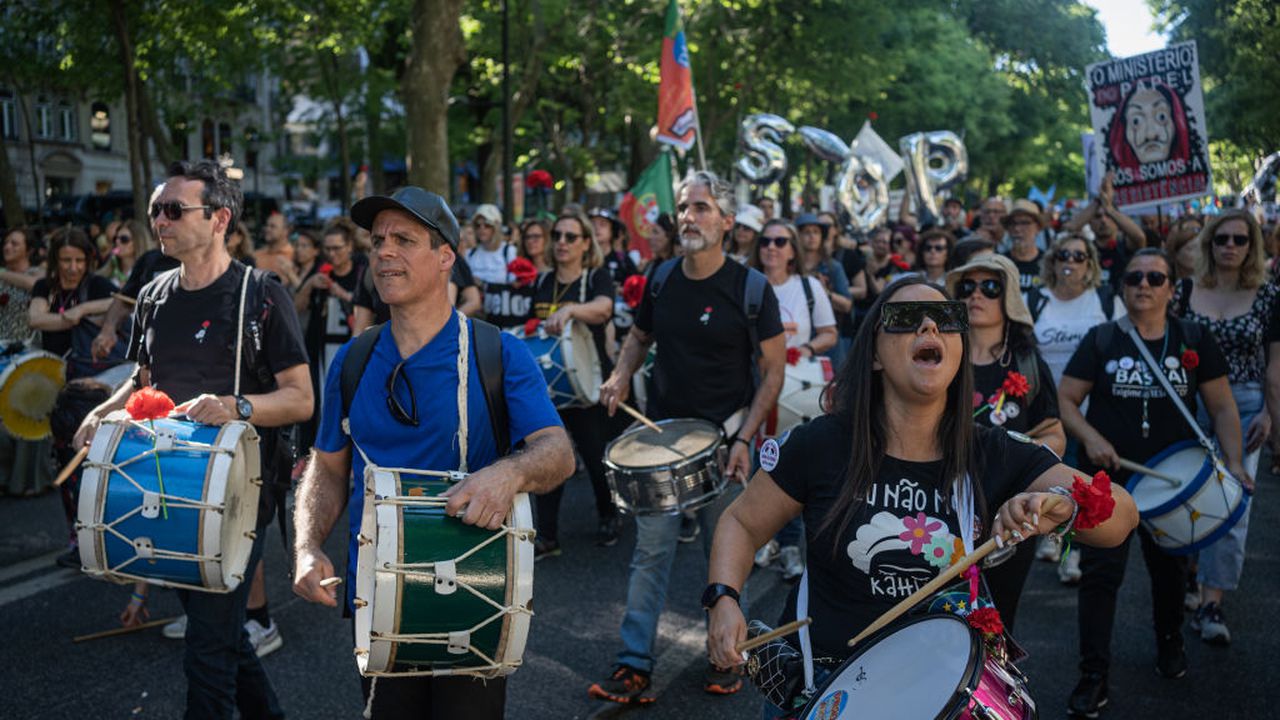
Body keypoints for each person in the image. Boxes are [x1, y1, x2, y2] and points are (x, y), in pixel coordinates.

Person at [705, 277, 1137, 717]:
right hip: (821, 691)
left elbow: (1122, 515)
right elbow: (742, 522)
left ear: (960, 350)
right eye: (905, 317)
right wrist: (723, 599)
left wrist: (1061, 505)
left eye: (947, 319)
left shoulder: (993, 452)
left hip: (937, 696)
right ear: (875, 354)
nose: (930, 326)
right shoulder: (821, 444)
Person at [291, 186, 573, 720]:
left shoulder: (497, 352)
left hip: (472, 589)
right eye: (377, 241)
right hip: (376, 593)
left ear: (446, 257)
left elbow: (558, 452)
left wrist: (507, 475)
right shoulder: (352, 360)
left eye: (404, 240)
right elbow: (327, 468)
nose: (384, 252)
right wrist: (307, 546)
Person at [73, 159, 313, 719]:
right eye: (156, 210)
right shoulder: (154, 294)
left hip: (240, 492)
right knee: (221, 636)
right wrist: (103, 412)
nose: (160, 220)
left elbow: (301, 398)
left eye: (173, 210)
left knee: (207, 652)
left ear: (219, 218)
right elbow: (143, 382)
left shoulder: (260, 295)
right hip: (168, 484)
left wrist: (237, 406)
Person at [591, 171, 786, 703]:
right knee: (650, 553)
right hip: (661, 442)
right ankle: (634, 662)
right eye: (683, 207)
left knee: (722, 556)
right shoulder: (660, 277)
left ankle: (724, 654)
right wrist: (621, 374)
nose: (688, 217)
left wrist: (745, 439)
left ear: (727, 222)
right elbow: (639, 337)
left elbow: (774, 371)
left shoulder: (751, 288)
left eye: (701, 208)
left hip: (725, 441)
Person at [1058, 248, 1246, 717]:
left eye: (1155, 278)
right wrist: (1092, 438)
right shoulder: (1102, 338)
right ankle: (1093, 674)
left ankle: (1170, 641)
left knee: (1169, 573)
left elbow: (1223, 406)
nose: (1143, 284)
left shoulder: (1193, 338)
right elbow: (1066, 399)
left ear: (1171, 288)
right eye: (1134, 277)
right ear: (1122, 287)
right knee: (1100, 577)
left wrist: (1235, 462)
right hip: (1109, 481)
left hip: (1171, 486)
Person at [1169, 210, 1276, 644]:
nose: (1230, 246)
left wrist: (1270, 414)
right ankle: (1191, 573)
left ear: (1252, 246)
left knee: (1234, 502)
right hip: (1190, 405)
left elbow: (1276, 365)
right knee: (1188, 499)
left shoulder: (1268, 296)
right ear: (1209, 243)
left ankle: (1211, 603)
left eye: (1240, 239)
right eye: (1222, 239)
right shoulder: (1184, 291)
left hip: (1247, 404)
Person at [946, 255, 1065, 629]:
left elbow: (1054, 433)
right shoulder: (939, 354)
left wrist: (1020, 463)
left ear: (1010, 296)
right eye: (967, 287)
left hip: (1006, 515)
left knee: (996, 618)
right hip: (938, 506)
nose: (975, 295)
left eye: (990, 287)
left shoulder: (1027, 362)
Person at [525, 210, 622, 556]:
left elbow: (604, 308)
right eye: (557, 236)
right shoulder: (543, 281)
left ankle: (609, 515)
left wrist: (570, 311)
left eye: (570, 236)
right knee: (547, 456)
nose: (562, 242)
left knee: (596, 457)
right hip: (551, 387)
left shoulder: (595, 277)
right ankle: (547, 536)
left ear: (585, 244)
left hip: (588, 386)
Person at [749, 218, 836, 581]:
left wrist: (805, 349)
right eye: (765, 241)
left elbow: (829, 333)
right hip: (753, 385)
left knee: (791, 463)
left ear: (792, 250)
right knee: (757, 466)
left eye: (780, 241)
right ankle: (762, 537)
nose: (772, 247)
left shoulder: (808, 287)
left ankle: (788, 545)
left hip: (795, 388)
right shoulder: (748, 284)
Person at [0, 226, 52, 498]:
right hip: (1, 351)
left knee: (24, 413)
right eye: (6, 242)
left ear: (29, 250)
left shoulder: (37, 274)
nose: (7, 247)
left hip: (27, 353)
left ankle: (25, 480)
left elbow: (36, 286)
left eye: (15, 243)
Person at [1063, 174, 1147, 288]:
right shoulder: (1086, 250)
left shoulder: (1125, 245)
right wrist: (1099, 199)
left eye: (1108, 216)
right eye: (1097, 216)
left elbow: (1140, 238)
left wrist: (1110, 209)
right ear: (1089, 223)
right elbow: (1069, 229)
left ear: (1117, 221)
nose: (1103, 220)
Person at [467, 203, 528, 328]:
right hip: (477, 317)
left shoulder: (509, 251)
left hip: (503, 317)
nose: (482, 229)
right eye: (478, 225)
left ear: (496, 227)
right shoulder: (471, 254)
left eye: (487, 225)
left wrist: (482, 283)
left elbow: (515, 283)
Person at [1002, 200, 1046, 296]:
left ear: (1038, 228)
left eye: (1025, 223)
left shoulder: (1048, 264)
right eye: (1013, 223)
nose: (1017, 229)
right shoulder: (1000, 263)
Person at [97, 219, 153, 286]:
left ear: (138, 242)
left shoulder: (148, 273)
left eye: (124, 239)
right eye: (115, 238)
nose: (117, 242)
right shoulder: (105, 273)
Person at [254, 211, 297, 288]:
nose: (267, 229)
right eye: (267, 225)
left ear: (286, 231)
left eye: (273, 226)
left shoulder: (295, 255)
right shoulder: (256, 255)